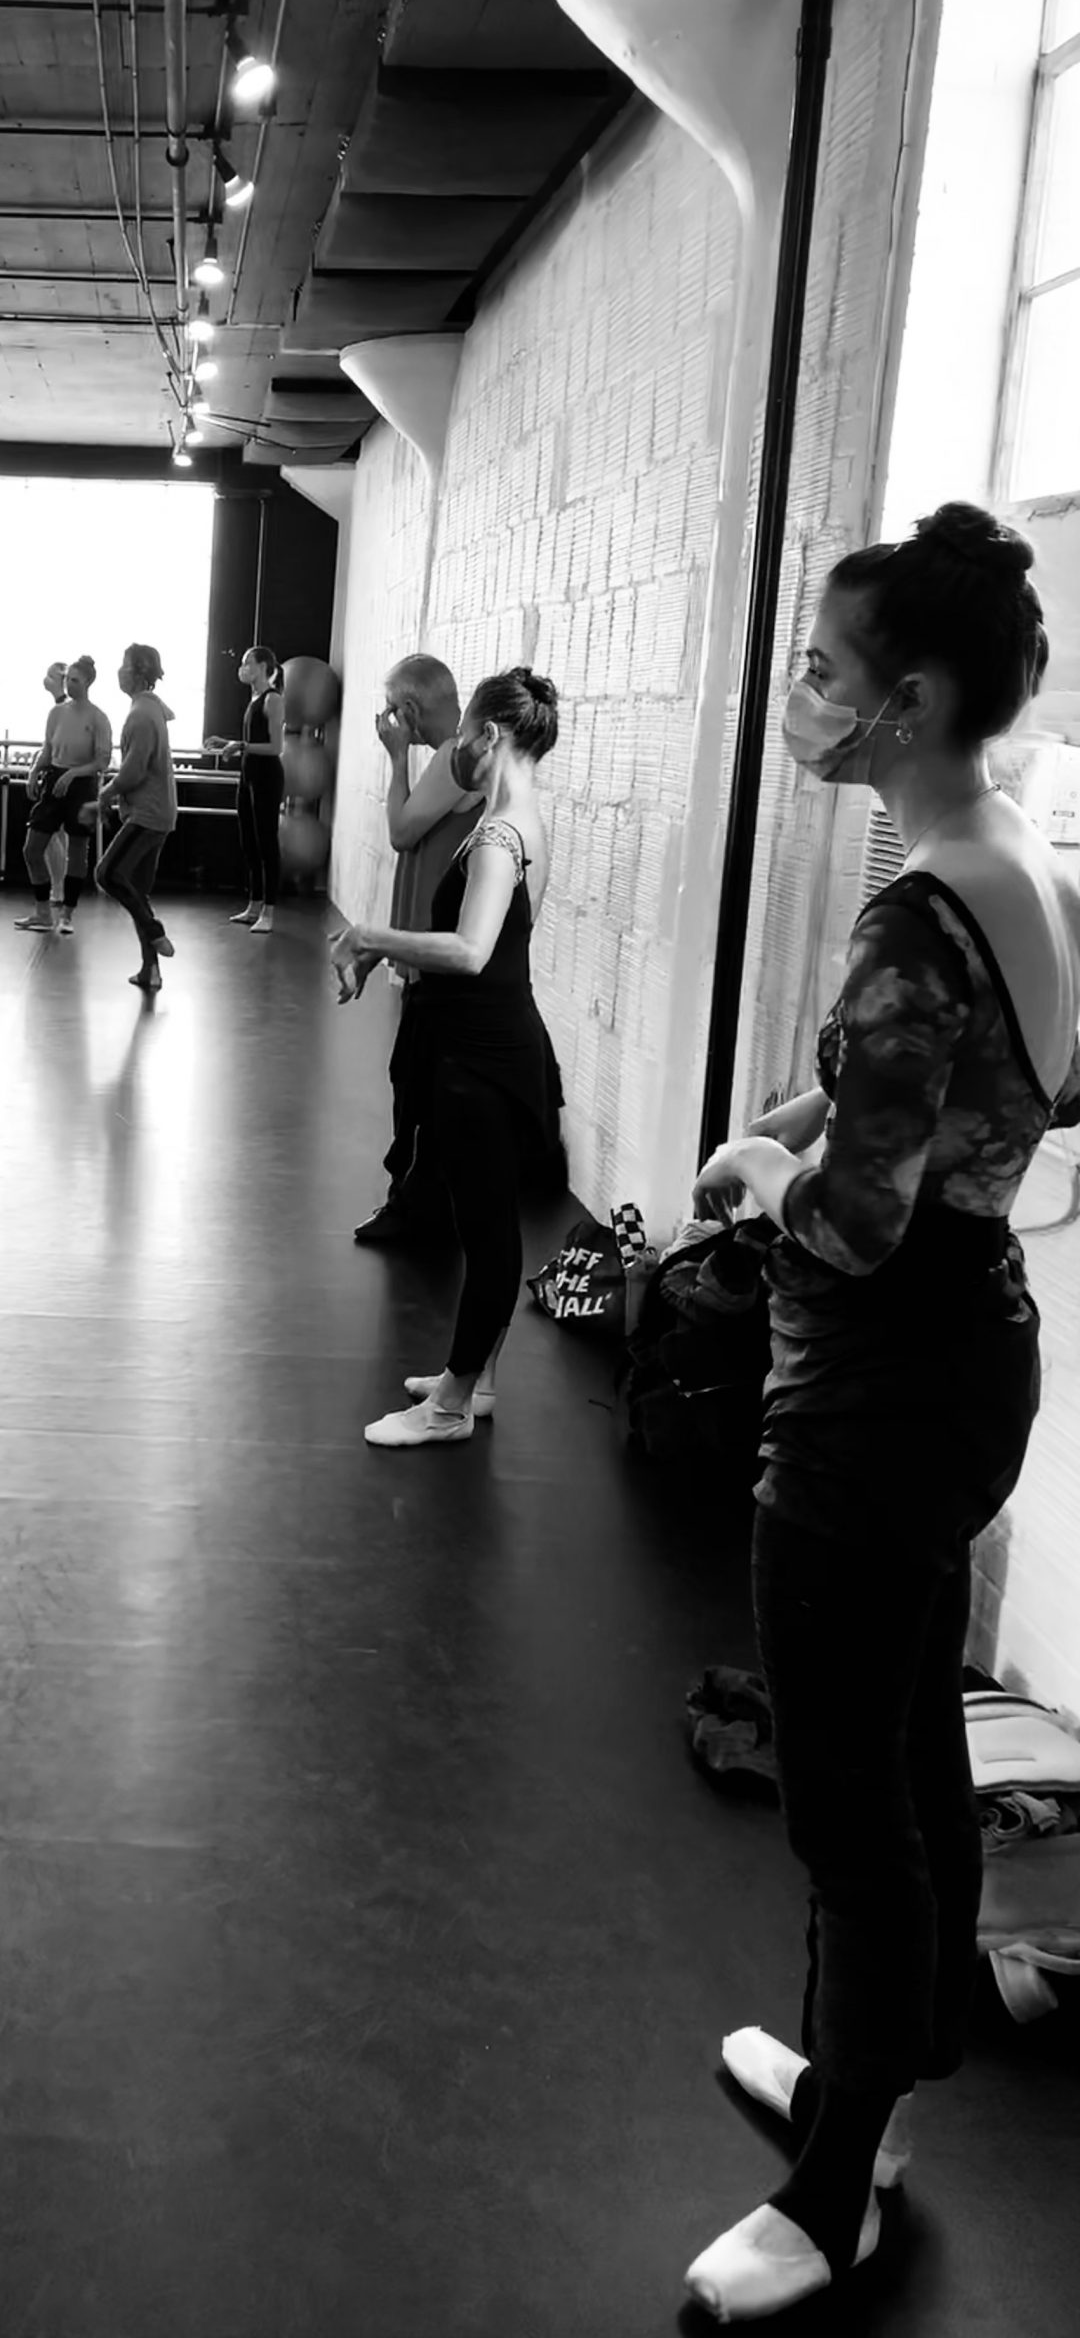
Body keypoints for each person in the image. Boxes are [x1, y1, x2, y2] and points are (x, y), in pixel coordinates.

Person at [679, 505, 1080, 2325]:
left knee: (853, 1814)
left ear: (906, 700)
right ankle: (872, 2090)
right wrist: (817, 1109)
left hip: (874, 1389)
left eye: (826, 671)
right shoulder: (1025, 860)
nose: (804, 695)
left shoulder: (916, 911)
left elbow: (850, 1223)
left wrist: (762, 1170)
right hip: (978, 1356)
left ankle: (834, 2194)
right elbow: (1013, 1098)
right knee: (915, 1755)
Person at [329, 668, 562, 1444]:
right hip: (497, 1047)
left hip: (483, 1061)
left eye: (463, 732)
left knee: (486, 1235)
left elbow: (470, 951)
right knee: (488, 1226)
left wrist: (370, 934)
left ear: (488, 735)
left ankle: (450, 1408)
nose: (455, 746)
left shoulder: (496, 837)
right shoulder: (520, 819)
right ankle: (477, 1381)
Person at [353, 652, 478, 1247]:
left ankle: (413, 1206)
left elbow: (401, 832)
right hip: (432, 948)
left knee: (415, 1079)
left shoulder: (454, 758)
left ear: (407, 710)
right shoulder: (458, 758)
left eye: (391, 710)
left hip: (437, 952)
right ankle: (420, 1201)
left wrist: (397, 757)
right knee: (415, 1074)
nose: (388, 720)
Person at [96, 643, 179, 993]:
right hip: (158, 812)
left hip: (148, 814)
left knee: (107, 874)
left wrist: (105, 794)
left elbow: (133, 772)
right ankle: (151, 970)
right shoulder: (149, 708)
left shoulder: (141, 715)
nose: (120, 671)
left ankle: (154, 932)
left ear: (140, 673)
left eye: (125, 665)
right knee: (138, 892)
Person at [18, 655, 112, 936]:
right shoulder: (56, 713)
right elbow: (48, 749)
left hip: (82, 785)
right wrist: (34, 771)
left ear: (88, 683)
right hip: (55, 780)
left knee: (77, 851)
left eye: (75, 680)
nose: (69, 685)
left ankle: (67, 914)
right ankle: (42, 913)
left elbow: (102, 761)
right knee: (32, 849)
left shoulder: (98, 717)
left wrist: (73, 774)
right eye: (67, 679)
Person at [218, 645, 285, 932]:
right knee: (249, 842)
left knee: (267, 843)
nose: (243, 668)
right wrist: (227, 743)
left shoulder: (273, 699)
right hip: (248, 776)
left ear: (262, 667)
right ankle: (254, 905)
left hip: (267, 777)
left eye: (248, 663)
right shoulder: (254, 699)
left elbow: (276, 747)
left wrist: (242, 745)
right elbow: (251, 742)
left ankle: (269, 911)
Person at [37, 660, 71, 910]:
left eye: (50, 676)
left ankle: (58, 888)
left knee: (50, 834)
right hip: (62, 773)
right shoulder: (61, 708)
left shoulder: (64, 708)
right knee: (58, 834)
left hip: (63, 774)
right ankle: (59, 887)